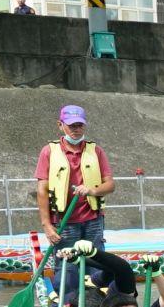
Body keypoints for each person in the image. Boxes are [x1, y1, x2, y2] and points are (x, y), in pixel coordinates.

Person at [35, 104, 115, 251]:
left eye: (80, 125)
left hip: (93, 220)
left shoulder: (96, 151)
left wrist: (91, 190)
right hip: (63, 221)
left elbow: (110, 185)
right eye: (72, 125)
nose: (76, 129)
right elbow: (42, 190)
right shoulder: (49, 152)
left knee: (96, 262)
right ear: (60, 125)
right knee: (66, 263)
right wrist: (46, 225)